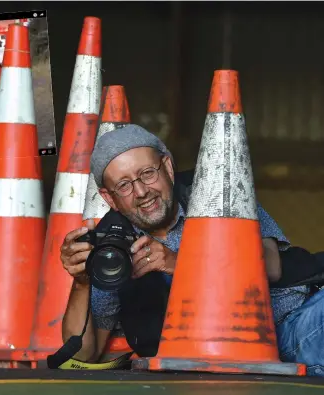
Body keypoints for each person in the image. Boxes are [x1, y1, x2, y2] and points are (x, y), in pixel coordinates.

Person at [60, 124, 323, 376]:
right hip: (249, 352)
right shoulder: (113, 246)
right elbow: (83, 355)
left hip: (294, 317)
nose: (141, 191)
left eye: (148, 174)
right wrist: (82, 283)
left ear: (168, 167)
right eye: (124, 185)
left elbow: (270, 266)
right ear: (109, 198)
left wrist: (178, 263)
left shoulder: (216, 191)